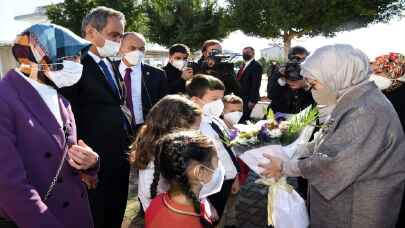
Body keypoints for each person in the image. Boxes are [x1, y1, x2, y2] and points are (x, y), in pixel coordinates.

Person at [261, 44, 405, 228]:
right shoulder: (355, 98)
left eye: (314, 84)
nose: (311, 90)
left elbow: (335, 163)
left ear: (336, 76)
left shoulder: (365, 110)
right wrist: (296, 149)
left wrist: (285, 166)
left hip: (356, 210)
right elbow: (329, 137)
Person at [0, 23, 99, 228]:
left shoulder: (62, 99)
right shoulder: (4, 99)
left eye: (79, 57)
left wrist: (91, 164)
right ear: (38, 57)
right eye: (69, 57)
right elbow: (9, 186)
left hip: (77, 215)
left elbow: (65, 159)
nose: (78, 64)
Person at [59, 6, 131, 228]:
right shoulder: (73, 66)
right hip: (93, 164)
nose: (118, 41)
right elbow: (68, 119)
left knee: (115, 213)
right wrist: (83, 167)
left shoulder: (109, 63)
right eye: (114, 35)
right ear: (91, 32)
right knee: (96, 217)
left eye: (121, 36)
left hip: (120, 158)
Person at [130, 95, 202, 212]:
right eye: (193, 131)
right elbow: (149, 196)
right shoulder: (159, 158)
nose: (197, 135)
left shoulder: (158, 145)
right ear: (174, 130)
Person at [186, 74, 240, 222]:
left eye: (221, 99)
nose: (219, 104)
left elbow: (228, 150)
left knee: (217, 218)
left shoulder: (217, 120)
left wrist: (234, 176)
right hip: (206, 189)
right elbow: (190, 170)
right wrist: (204, 201)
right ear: (195, 100)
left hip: (225, 181)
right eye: (214, 99)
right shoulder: (192, 128)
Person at [146, 130, 222, 228]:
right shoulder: (194, 223)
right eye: (216, 160)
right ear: (200, 172)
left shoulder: (156, 202)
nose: (218, 166)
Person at [369, 53, 405, 228]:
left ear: (392, 71)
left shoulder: (393, 95)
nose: (375, 77)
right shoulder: (385, 92)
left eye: (380, 72)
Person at [117, 32, 168, 133]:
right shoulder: (110, 69)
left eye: (141, 49)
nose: (138, 52)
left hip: (147, 129)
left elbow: (164, 104)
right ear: (120, 48)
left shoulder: (157, 74)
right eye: (132, 48)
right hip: (117, 128)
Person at [267, 46, 315, 114]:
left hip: (304, 115)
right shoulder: (280, 70)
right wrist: (281, 79)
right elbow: (270, 95)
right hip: (280, 114)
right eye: (296, 59)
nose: (299, 62)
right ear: (290, 58)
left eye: (303, 59)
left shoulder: (312, 73)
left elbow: (319, 96)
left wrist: (306, 85)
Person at [236, 47, 263, 122]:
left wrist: (253, 100)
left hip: (250, 100)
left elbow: (256, 85)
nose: (245, 54)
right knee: (242, 120)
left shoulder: (256, 66)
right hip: (242, 99)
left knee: (250, 121)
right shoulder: (243, 65)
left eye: (248, 52)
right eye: (244, 52)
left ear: (253, 54)